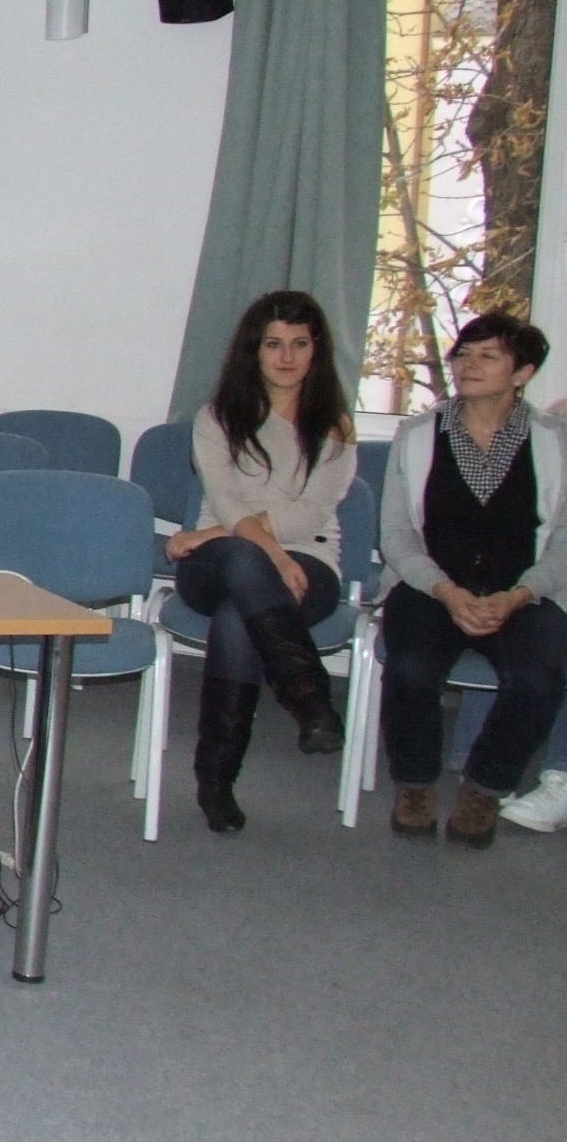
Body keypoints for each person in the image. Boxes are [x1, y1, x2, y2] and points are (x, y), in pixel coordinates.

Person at [164, 290, 358, 834]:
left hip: (309, 560)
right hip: (219, 562)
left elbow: (312, 512)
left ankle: (215, 780)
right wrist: (268, 552)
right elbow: (226, 500)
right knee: (243, 559)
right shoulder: (217, 418)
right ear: (254, 351)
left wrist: (213, 535)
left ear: (317, 350)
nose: (287, 356)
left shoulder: (336, 425)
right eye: (273, 344)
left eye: (299, 343)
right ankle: (310, 700)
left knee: (236, 618)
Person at [376, 313, 567, 846]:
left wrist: (520, 595)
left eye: (488, 356)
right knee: (410, 668)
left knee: (539, 678)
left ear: (523, 372)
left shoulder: (556, 441)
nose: (469, 365)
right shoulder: (417, 435)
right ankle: (415, 786)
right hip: (430, 588)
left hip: (523, 594)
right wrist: (446, 591)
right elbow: (396, 535)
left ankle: (485, 788)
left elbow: (564, 542)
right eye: (463, 354)